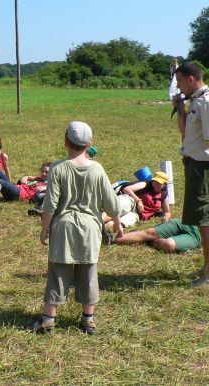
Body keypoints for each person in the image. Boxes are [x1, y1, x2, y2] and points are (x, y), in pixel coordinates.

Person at [32, 122, 122, 335]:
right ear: (89, 144)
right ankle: (88, 319)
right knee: (88, 272)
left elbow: (50, 204)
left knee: (57, 272)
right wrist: (117, 221)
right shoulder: (97, 169)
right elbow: (111, 201)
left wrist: (44, 228)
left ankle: (48, 319)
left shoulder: (58, 167)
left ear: (65, 141)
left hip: (64, 227)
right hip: (90, 228)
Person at [175, 62, 209, 288]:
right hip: (194, 166)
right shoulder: (196, 101)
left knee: (206, 223)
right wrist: (180, 111)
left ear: (190, 79)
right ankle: (208, 268)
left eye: (179, 81)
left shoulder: (208, 103)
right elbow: (186, 134)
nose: (177, 86)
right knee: (201, 221)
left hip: (205, 169)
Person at [116, 180, 209, 253]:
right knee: (150, 232)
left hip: (199, 236)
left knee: (168, 244)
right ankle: (112, 239)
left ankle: (149, 240)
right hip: (189, 223)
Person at [103, 172, 171, 228]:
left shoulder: (163, 195)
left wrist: (166, 218)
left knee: (120, 223)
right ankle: (98, 221)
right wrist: (138, 201)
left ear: (164, 184)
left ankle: (102, 227)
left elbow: (167, 212)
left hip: (137, 214)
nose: (156, 184)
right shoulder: (145, 184)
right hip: (131, 201)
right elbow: (126, 189)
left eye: (159, 183)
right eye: (155, 182)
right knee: (116, 209)